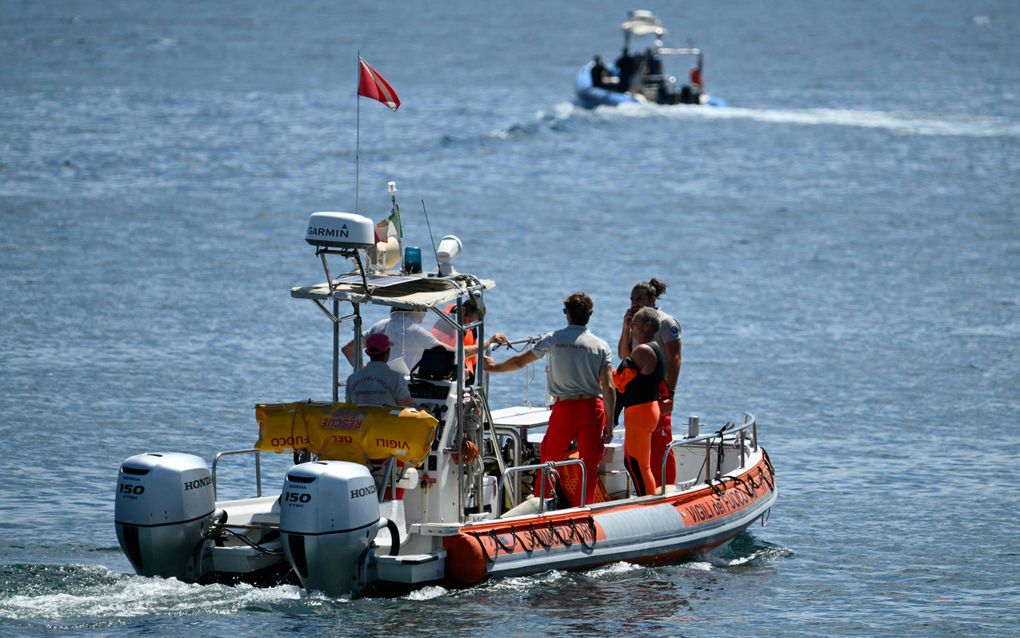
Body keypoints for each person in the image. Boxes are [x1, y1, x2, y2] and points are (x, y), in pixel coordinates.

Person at [485, 292, 615, 506]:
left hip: (566, 407)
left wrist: (492, 368)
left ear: (568, 314)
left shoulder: (553, 339)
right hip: (593, 407)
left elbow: (520, 362)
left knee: (549, 458)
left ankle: (541, 503)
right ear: (589, 315)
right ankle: (584, 508)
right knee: (590, 464)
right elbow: (608, 386)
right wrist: (610, 425)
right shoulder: (601, 346)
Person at [618, 278, 682, 485]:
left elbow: (675, 359)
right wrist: (626, 328)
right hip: (638, 393)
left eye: (639, 298)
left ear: (652, 299)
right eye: (632, 299)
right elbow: (624, 355)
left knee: (661, 443)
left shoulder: (666, 322)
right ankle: (648, 488)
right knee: (640, 447)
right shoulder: (636, 322)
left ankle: (667, 487)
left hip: (659, 388)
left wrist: (670, 393)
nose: (634, 302)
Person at [614, 308, 666, 495]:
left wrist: (601, 371)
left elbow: (619, 381)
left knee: (638, 464)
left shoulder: (643, 350)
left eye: (635, 321)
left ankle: (648, 502)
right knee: (632, 461)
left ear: (648, 325)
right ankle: (647, 497)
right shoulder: (655, 348)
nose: (631, 323)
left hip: (641, 411)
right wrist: (626, 328)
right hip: (644, 409)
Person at [342, 308, 444, 373]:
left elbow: (348, 349)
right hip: (406, 389)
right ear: (414, 309)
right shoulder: (415, 331)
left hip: (379, 385)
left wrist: (364, 372)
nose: (425, 313)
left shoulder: (378, 326)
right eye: (424, 308)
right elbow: (444, 350)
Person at [431, 300, 506, 381]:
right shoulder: (445, 325)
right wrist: (488, 343)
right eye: (470, 322)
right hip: (444, 377)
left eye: (475, 323)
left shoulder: (471, 326)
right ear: (462, 311)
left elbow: (469, 350)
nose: (471, 327)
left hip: (466, 377)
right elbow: (455, 353)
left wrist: (481, 357)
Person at [345, 333, 414, 407]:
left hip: (364, 418)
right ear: (388, 352)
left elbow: (349, 407)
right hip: (388, 418)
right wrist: (425, 408)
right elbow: (408, 407)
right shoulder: (396, 378)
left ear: (367, 353)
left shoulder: (352, 379)